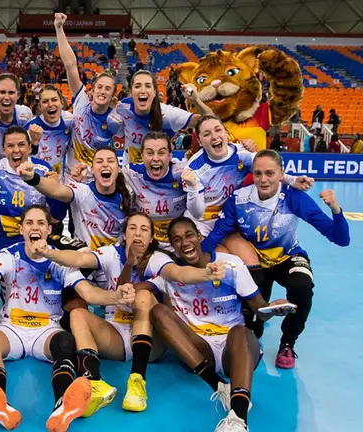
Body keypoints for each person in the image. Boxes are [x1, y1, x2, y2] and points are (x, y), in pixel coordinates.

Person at [0, 205, 136, 432]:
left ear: (49, 230)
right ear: (22, 229)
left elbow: (89, 294)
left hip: (46, 330)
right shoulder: (8, 256)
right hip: (12, 328)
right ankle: (1, 405)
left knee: (65, 342)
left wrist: (116, 296)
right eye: (29, 223)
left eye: (41, 223)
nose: (35, 227)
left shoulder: (60, 261)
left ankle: (62, 406)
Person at [33, 212, 225, 415]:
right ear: (124, 235)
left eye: (144, 229)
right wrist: (49, 253)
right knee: (78, 314)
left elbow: (178, 273)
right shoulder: (111, 254)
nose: (138, 233)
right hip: (116, 336)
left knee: (142, 296)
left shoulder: (157, 259)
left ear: (151, 238)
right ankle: (95, 383)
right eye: (132, 228)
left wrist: (205, 273)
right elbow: (80, 258)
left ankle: (137, 381)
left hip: (151, 343)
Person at [202, 150, 350, 369]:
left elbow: (341, 239)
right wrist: (196, 260)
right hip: (255, 263)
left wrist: (336, 210)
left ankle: (288, 343)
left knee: (302, 288)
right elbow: (219, 233)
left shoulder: (293, 197)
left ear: (282, 174)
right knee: (253, 326)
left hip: (288, 256)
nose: (263, 179)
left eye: (270, 173)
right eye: (258, 173)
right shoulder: (239, 199)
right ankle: (254, 332)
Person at [147, 216, 295, 432]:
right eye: (177, 239)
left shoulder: (231, 264)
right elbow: (142, 289)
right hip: (198, 349)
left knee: (241, 331)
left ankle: (239, 419)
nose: (185, 242)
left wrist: (273, 308)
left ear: (199, 237)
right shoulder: (169, 272)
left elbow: (260, 310)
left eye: (189, 235)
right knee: (158, 311)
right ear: (173, 246)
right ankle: (218, 385)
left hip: (233, 349)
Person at [184, 115, 313, 287]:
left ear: (226, 133)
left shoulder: (241, 154)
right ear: (200, 141)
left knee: (252, 265)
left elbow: (267, 169)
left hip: (227, 222)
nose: (214, 136)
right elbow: (196, 212)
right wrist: (193, 187)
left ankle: (254, 304)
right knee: (226, 265)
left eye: (218, 130)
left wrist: (292, 180)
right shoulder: (193, 168)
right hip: (202, 225)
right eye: (207, 134)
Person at [19, 146, 130, 251]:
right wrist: (32, 178)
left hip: (115, 262)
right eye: (99, 161)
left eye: (110, 161)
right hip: (82, 260)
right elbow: (56, 190)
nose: (105, 164)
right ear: (92, 170)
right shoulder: (82, 191)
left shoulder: (129, 196)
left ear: (119, 169)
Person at [54, 13, 121, 183]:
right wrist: (59, 28)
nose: (102, 91)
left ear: (112, 95)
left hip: (96, 182)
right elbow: (70, 64)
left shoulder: (115, 119)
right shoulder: (82, 100)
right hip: (70, 178)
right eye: (100, 87)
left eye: (108, 89)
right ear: (93, 89)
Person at [0, 126, 59, 251]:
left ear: (30, 148)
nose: (16, 150)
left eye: (21, 145)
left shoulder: (43, 170)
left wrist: (56, 190)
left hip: (39, 244)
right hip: (6, 246)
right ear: (4, 150)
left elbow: (57, 216)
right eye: (10, 146)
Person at [122, 131, 203, 251]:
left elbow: (198, 212)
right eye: (150, 153)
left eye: (161, 153)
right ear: (142, 155)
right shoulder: (131, 172)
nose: (155, 158)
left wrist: (193, 187)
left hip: (178, 243)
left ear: (170, 155)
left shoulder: (183, 173)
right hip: (146, 244)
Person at [113, 70, 201, 165]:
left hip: (158, 170)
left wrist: (196, 100)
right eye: (137, 86)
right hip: (129, 171)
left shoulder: (168, 113)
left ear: (155, 92)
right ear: (131, 91)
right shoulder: (123, 107)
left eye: (148, 86)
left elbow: (207, 121)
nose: (143, 90)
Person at [25, 84, 74, 174]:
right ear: (40, 107)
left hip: (60, 178)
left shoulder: (69, 120)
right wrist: (34, 144)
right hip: (38, 178)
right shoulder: (30, 128)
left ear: (62, 103)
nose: (50, 104)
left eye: (54, 100)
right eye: (45, 101)